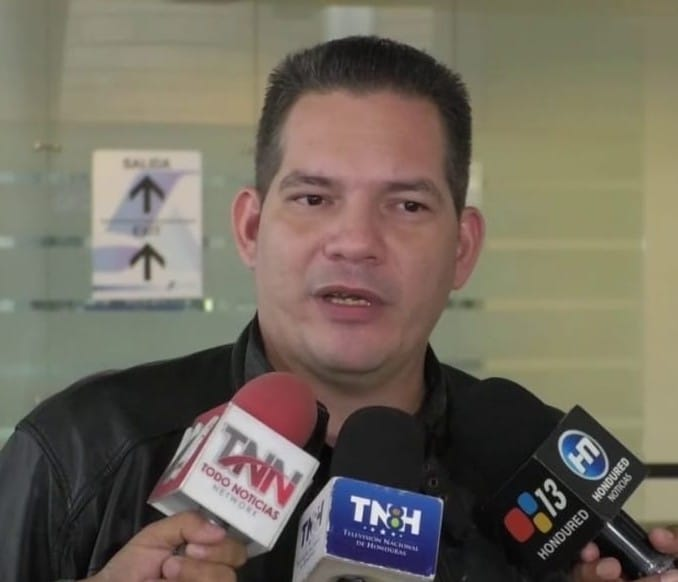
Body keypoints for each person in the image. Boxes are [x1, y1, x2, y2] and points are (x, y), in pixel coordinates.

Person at [0, 35, 675, 582]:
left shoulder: (524, 477)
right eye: (313, 199)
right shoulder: (82, 454)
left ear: (462, 249)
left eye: (407, 205)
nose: (355, 241)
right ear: (250, 229)